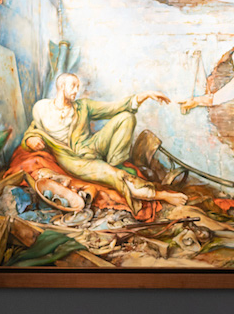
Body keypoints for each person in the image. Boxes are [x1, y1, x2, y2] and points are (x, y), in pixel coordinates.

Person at [22, 72, 187, 213]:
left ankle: (115, 161)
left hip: (91, 145)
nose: (76, 91)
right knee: (113, 175)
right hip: (73, 159)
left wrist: (143, 96)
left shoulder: (83, 106)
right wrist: (30, 139)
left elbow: (113, 107)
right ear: (62, 87)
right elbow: (33, 130)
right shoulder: (42, 109)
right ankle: (162, 195)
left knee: (126, 117)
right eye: (73, 86)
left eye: (77, 86)